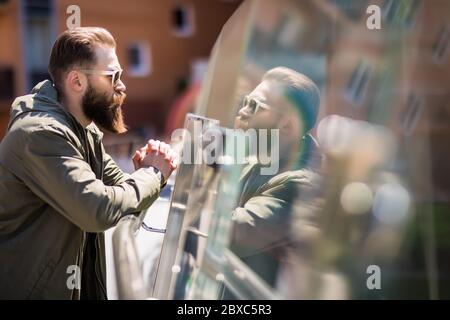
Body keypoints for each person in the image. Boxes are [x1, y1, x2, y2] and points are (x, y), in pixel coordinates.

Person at [0, 27, 177, 299]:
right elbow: (99, 208)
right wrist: (153, 173)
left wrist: (144, 174)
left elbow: (124, 198)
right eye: (112, 76)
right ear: (77, 81)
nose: (121, 86)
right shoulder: (41, 134)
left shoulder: (83, 129)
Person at [225, 66, 321, 295]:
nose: (243, 111)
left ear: (287, 126)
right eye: (245, 102)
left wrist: (196, 188)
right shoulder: (257, 156)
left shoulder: (299, 185)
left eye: (255, 105)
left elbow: (235, 230)